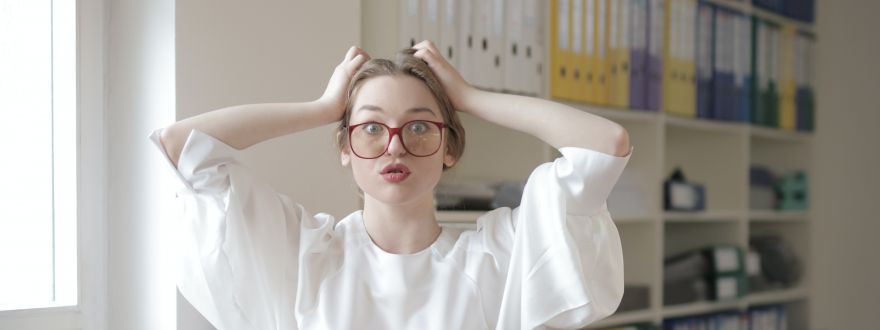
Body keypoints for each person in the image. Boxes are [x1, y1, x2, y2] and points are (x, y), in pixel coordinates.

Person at [153, 40, 632, 330]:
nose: (395, 147)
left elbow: (606, 145)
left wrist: (470, 97)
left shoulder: (496, 258)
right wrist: (320, 108)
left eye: (420, 126)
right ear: (346, 148)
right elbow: (183, 148)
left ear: (450, 148)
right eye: (371, 128)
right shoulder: (303, 256)